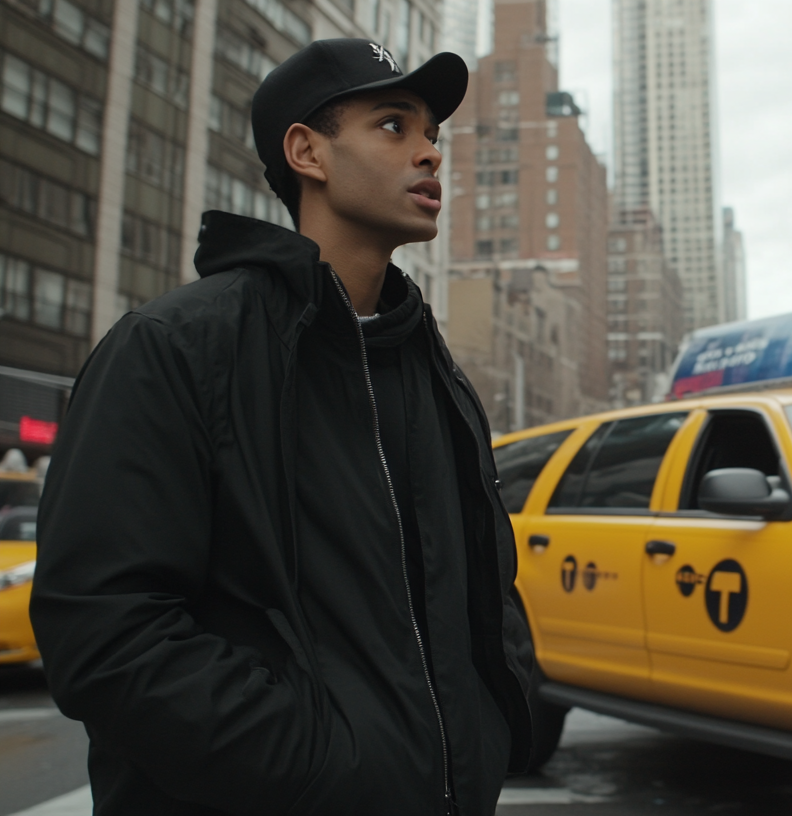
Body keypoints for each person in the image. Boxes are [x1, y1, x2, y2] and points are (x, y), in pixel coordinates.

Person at [31, 39, 533, 814]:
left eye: (434, 134)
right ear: (308, 152)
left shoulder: (436, 375)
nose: (430, 154)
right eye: (394, 127)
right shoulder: (175, 347)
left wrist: (487, 741)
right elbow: (103, 631)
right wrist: (323, 770)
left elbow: (476, 600)